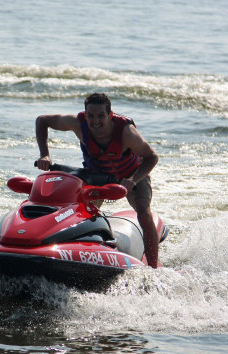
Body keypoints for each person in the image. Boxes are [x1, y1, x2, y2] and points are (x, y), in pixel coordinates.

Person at [35, 92, 161, 268]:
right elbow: (42, 120)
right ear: (85, 115)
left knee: (143, 212)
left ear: (110, 115)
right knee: (82, 212)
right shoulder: (78, 123)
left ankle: (154, 268)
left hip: (131, 176)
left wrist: (133, 179)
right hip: (97, 176)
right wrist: (45, 155)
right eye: (91, 116)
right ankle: (80, 253)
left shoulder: (126, 132)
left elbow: (151, 157)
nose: (95, 121)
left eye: (101, 116)